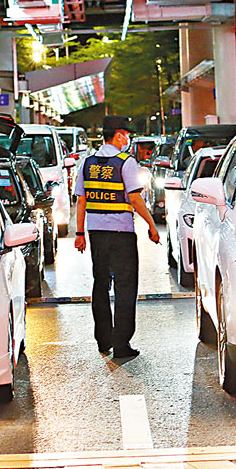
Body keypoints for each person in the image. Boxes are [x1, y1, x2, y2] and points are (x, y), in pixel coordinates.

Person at [74, 115, 160, 360]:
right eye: (126, 134)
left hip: (96, 233)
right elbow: (135, 199)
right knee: (125, 287)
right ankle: (121, 344)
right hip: (122, 233)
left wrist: (80, 233)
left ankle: (103, 340)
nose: (128, 139)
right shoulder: (126, 162)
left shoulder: (88, 163)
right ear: (119, 135)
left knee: (100, 285)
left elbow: (81, 200)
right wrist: (151, 225)